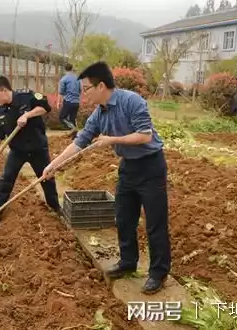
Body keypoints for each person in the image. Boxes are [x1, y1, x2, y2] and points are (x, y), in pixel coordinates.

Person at [43, 61, 171, 295]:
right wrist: (53, 165)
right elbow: (79, 142)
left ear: (101, 86)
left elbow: (145, 136)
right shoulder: (98, 114)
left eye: (86, 89)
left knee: (155, 223)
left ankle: (158, 273)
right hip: (128, 168)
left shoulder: (131, 101)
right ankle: (127, 262)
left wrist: (112, 140)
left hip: (151, 166)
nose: (84, 95)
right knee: (123, 217)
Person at [0, 75, 62, 224]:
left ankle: (55, 208)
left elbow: (45, 107)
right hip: (17, 151)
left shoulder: (26, 96)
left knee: (47, 178)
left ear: (3, 90)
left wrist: (28, 114)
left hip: (37, 148)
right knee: (6, 179)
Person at [57, 63, 81, 138]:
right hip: (76, 102)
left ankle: (73, 128)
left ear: (65, 69)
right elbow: (80, 90)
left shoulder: (64, 79)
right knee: (72, 119)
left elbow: (60, 92)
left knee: (62, 117)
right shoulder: (77, 78)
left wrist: (58, 102)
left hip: (68, 102)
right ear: (72, 68)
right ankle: (75, 137)